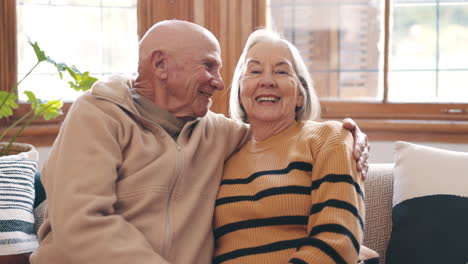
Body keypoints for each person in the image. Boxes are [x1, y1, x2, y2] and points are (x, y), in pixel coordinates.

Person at [30, 20, 370, 264]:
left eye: (282, 72)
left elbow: (278, 138)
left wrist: (348, 135)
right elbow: (83, 225)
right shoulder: (98, 115)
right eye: (209, 67)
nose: (219, 83)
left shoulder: (219, 134)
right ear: (161, 64)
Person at [213, 29, 379, 263]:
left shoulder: (329, 137)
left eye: (281, 71)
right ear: (241, 92)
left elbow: (339, 239)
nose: (267, 81)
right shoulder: (222, 150)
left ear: (300, 94)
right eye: (255, 71)